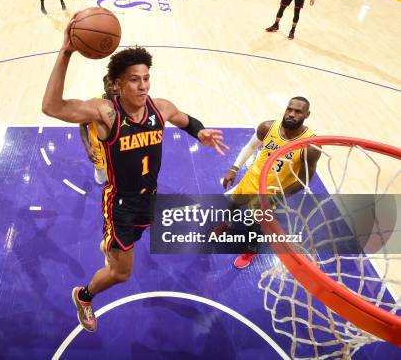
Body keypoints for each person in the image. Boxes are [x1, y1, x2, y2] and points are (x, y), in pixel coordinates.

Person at [42, 17, 228, 332]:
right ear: (117, 84)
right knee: (120, 273)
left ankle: (112, 244)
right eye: (133, 80)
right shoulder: (105, 113)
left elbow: (184, 119)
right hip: (121, 205)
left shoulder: (160, 107)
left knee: (171, 221)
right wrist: (65, 52)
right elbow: (51, 106)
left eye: (146, 78)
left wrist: (202, 133)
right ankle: (84, 296)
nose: (142, 86)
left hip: (150, 198)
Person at [218, 97, 321, 269]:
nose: (291, 114)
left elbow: (304, 180)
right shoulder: (268, 127)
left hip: (271, 191)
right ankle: (226, 226)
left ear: (307, 115)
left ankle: (251, 249)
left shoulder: (310, 146)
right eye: (289, 109)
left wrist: (275, 199)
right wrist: (234, 169)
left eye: (298, 112)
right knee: (233, 205)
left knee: (254, 222)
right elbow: (250, 147)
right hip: (251, 180)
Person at [78, 75, 118, 185]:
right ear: (104, 87)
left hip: (118, 149)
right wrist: (88, 148)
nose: (114, 88)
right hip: (99, 151)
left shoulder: (125, 102)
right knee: (101, 179)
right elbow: (82, 125)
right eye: (110, 85)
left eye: (117, 84)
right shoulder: (94, 106)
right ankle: (100, 173)